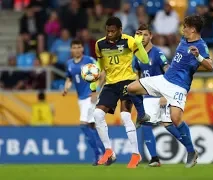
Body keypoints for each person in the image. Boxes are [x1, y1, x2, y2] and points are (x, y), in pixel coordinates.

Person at [127, 15, 213, 168]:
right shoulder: (183, 39)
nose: (183, 29)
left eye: (186, 27)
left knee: (175, 119)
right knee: (130, 88)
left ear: (193, 29)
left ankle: (191, 151)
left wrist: (198, 57)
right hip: (164, 80)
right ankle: (142, 115)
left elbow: (210, 66)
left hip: (179, 87)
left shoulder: (201, 45)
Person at [133, 24, 197, 167]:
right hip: (148, 95)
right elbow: (136, 76)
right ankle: (155, 159)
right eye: (139, 35)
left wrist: (165, 94)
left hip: (162, 92)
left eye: (145, 35)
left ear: (151, 36)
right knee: (147, 123)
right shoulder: (136, 55)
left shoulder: (157, 53)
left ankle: (190, 150)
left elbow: (168, 71)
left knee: (169, 124)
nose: (142, 38)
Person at [92, 16, 149, 168]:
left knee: (125, 116)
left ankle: (136, 155)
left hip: (128, 82)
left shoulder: (129, 41)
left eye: (113, 31)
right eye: (108, 31)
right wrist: (94, 77)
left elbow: (144, 60)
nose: (109, 34)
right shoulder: (100, 44)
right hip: (110, 83)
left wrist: (139, 43)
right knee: (97, 115)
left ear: (120, 30)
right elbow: (100, 65)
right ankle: (109, 151)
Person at [62, 39, 105, 166]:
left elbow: (102, 74)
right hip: (81, 98)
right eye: (74, 47)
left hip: (89, 97)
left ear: (82, 48)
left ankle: (98, 155)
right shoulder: (69, 63)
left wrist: (96, 91)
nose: (77, 50)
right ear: (71, 49)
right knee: (92, 127)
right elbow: (69, 78)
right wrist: (66, 88)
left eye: (79, 47)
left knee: (83, 124)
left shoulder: (89, 61)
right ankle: (107, 153)